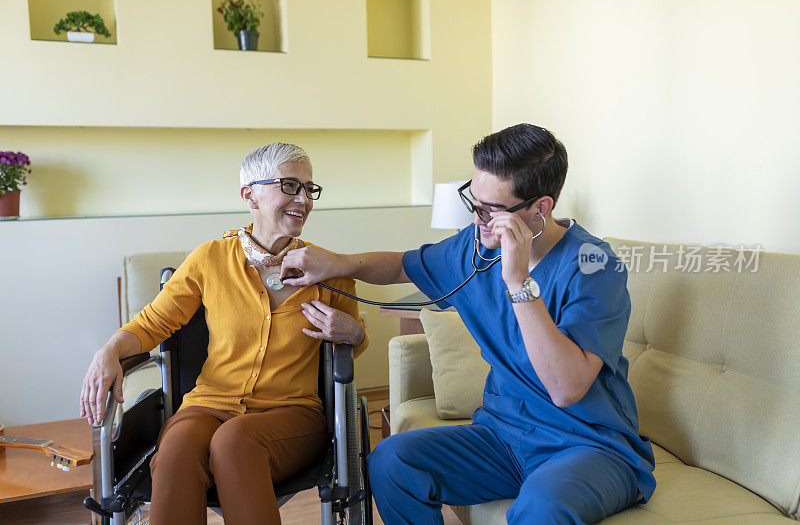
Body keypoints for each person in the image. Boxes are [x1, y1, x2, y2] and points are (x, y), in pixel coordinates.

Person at [279, 124, 656, 524]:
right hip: (504, 438)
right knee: (391, 460)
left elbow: (566, 388)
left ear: (540, 208)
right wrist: (335, 263)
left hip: (588, 447)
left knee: (543, 506)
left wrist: (518, 283)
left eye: (490, 209)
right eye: (473, 201)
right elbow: (404, 264)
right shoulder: (475, 246)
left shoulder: (594, 265)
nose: (477, 218)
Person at [79, 143, 369, 525]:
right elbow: (153, 323)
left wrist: (355, 333)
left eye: (308, 189)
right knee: (177, 449)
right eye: (289, 185)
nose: (303, 199)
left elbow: (355, 342)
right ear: (249, 194)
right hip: (208, 404)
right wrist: (108, 351)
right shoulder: (210, 259)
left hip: (291, 414)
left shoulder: (330, 268)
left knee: (234, 441)